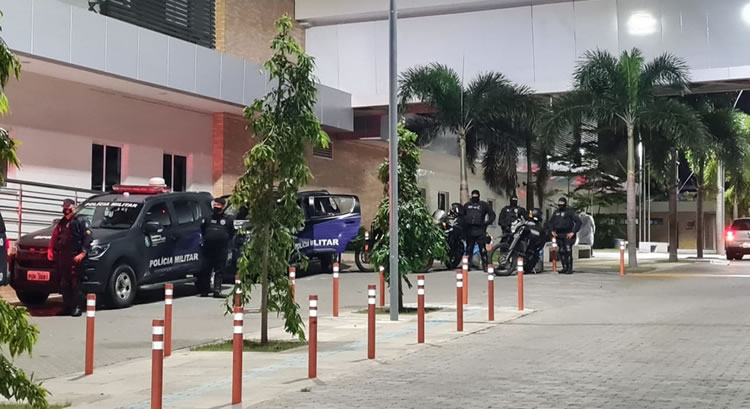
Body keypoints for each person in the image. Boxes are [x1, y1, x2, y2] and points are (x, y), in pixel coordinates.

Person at [47, 199, 92, 316]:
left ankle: (77, 307)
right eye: (64, 208)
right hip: (63, 257)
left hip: (76, 256)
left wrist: (82, 253)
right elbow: (55, 236)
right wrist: (50, 249)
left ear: (73, 207)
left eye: (68, 208)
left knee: (76, 283)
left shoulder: (81, 220)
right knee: (64, 283)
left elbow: (88, 237)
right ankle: (67, 307)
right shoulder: (61, 222)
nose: (66, 210)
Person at [200, 198, 235, 298]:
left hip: (221, 248)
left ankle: (217, 290)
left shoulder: (228, 219)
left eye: (218, 207)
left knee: (219, 269)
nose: (216, 209)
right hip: (208, 247)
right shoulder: (208, 218)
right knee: (206, 268)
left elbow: (232, 232)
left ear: (223, 207)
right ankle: (205, 290)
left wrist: (225, 240)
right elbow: (203, 229)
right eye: (215, 207)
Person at [461, 190, 496, 271]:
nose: (474, 196)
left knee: (482, 249)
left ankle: (485, 265)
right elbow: (462, 215)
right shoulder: (467, 205)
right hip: (469, 230)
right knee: (469, 249)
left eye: (476, 195)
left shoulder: (483, 205)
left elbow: (492, 215)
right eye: (473, 195)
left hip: (480, 230)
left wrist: (487, 223)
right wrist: (464, 225)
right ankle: (467, 266)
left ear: (479, 196)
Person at [549, 197, 582, 274]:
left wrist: (573, 232)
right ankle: (564, 267)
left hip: (568, 234)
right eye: (559, 203)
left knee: (568, 250)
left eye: (562, 203)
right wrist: (552, 231)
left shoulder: (570, 212)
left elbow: (578, 222)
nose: (560, 204)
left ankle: (569, 268)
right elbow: (550, 222)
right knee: (561, 251)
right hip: (559, 234)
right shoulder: (556, 212)